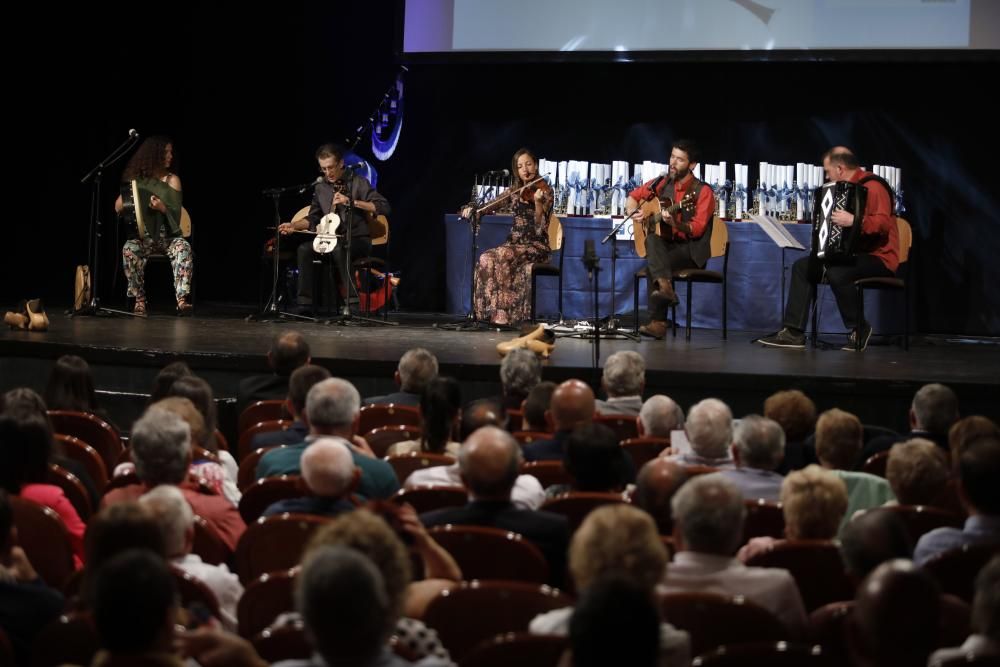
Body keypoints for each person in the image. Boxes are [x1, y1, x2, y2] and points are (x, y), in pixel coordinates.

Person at [757, 148, 899, 351]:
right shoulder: (842, 189)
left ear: (840, 168)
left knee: (838, 273)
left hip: (878, 257)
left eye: (827, 171)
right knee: (803, 267)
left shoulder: (873, 186)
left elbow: (884, 225)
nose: (826, 176)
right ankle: (794, 333)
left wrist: (854, 221)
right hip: (850, 256)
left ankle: (859, 327)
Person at [278, 143, 391, 316]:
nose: (328, 173)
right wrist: (293, 226)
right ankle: (305, 304)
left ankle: (352, 304)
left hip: (357, 239)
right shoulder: (321, 187)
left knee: (340, 248)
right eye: (323, 169)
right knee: (304, 249)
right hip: (330, 239)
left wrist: (352, 202)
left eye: (331, 167)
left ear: (341, 163)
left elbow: (384, 207)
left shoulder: (358, 182)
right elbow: (313, 218)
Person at [626, 139, 716, 339]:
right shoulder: (663, 182)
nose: (673, 163)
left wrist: (675, 224)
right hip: (669, 248)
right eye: (672, 157)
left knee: (653, 266)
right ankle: (665, 290)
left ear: (692, 165)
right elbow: (633, 196)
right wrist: (634, 212)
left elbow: (698, 229)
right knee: (651, 241)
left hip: (691, 250)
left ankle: (658, 322)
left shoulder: (703, 192)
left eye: (680, 160)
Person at [465, 147, 553, 326]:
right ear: (516, 170)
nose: (525, 169)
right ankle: (488, 313)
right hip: (514, 244)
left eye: (528, 164)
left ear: (535, 165)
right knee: (486, 257)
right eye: (520, 166)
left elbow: (540, 226)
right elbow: (489, 205)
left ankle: (504, 316)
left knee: (503, 254)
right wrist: (472, 210)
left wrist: (537, 203)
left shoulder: (545, 191)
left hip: (536, 246)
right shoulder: (514, 191)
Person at [114, 136, 193, 317]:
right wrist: (127, 200)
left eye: (170, 152)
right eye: (166, 152)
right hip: (144, 237)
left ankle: (181, 301)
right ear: (154, 155)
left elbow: (177, 215)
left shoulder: (172, 180)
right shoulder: (138, 180)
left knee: (184, 248)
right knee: (129, 249)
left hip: (169, 238)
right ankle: (140, 300)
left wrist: (163, 208)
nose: (170, 156)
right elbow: (118, 206)